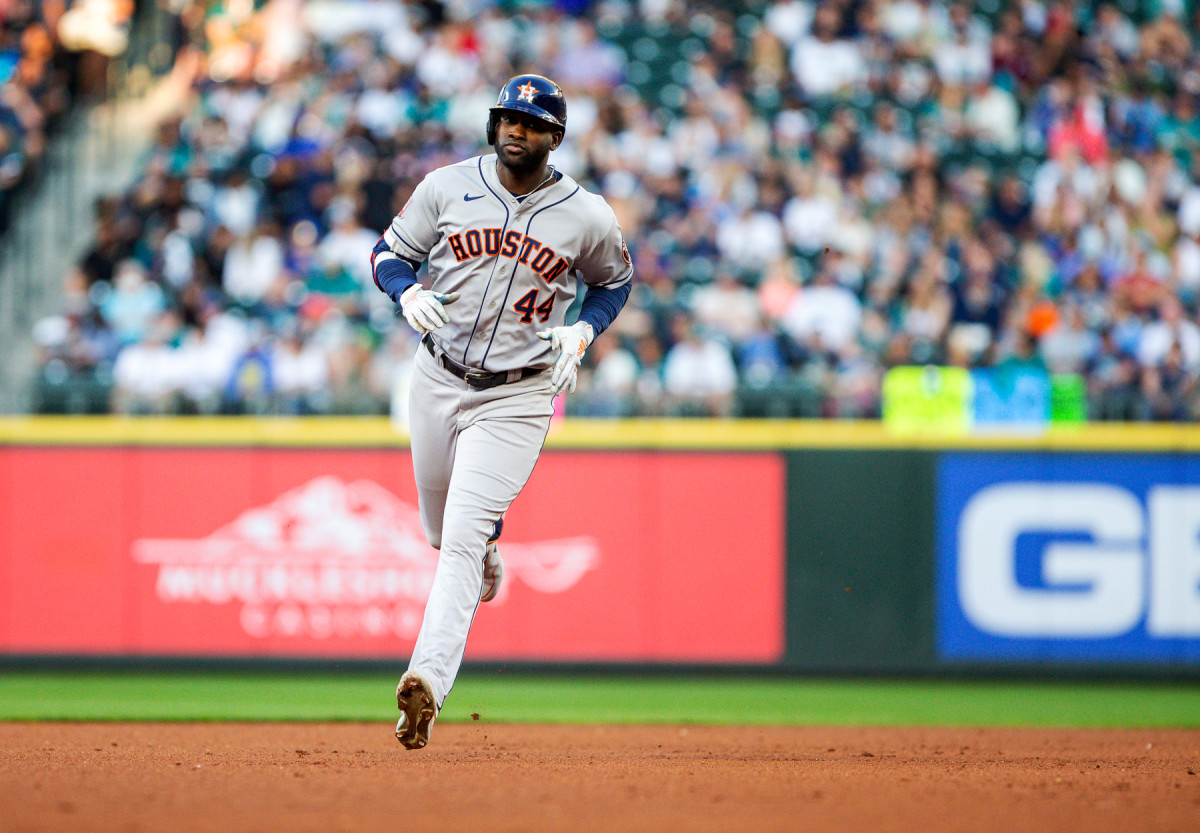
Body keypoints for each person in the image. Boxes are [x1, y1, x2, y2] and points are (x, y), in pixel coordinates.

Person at [369, 74, 633, 750]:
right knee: (442, 531)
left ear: (555, 136)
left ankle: (425, 682)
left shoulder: (587, 214)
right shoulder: (446, 186)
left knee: (454, 536)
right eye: (506, 119)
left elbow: (615, 281)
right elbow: (387, 254)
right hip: (436, 376)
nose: (516, 130)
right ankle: (487, 546)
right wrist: (403, 292)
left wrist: (583, 330)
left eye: (531, 123)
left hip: (518, 394)